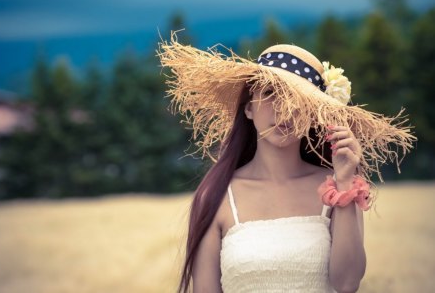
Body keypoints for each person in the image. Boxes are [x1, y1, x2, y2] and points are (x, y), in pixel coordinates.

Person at [158, 34, 416, 293]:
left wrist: (345, 180)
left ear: (313, 114)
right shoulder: (216, 195)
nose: (284, 109)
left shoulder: (338, 188)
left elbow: (347, 283)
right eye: (270, 93)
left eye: (297, 99)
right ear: (248, 108)